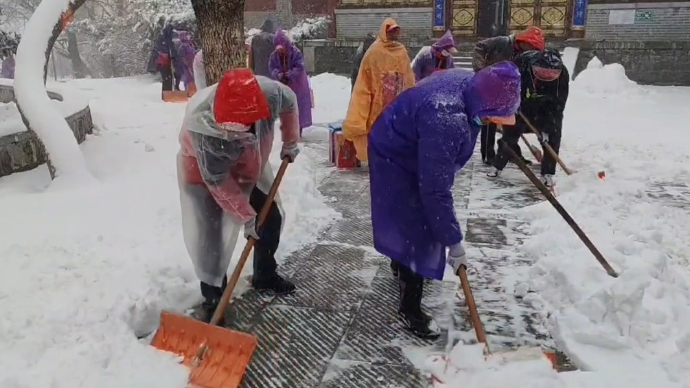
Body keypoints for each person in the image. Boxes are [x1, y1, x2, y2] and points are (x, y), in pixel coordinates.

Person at [367, 62, 521, 338]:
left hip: (411, 135)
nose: (491, 124)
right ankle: (410, 308)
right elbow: (435, 190)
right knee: (417, 228)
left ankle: (401, 266)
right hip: (393, 148)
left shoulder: (472, 86)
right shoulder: (445, 119)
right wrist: (453, 241)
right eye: (491, 118)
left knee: (414, 219)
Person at [177, 68, 301, 323]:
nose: (236, 130)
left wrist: (290, 141)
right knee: (210, 236)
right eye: (230, 128)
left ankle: (264, 275)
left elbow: (290, 101)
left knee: (270, 217)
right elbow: (218, 181)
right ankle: (214, 300)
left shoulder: (268, 94)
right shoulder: (202, 128)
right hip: (202, 172)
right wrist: (245, 217)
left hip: (247, 161)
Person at [487, 49, 569, 189]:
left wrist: (547, 129)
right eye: (543, 71)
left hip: (548, 107)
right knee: (511, 134)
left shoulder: (562, 75)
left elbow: (558, 105)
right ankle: (498, 165)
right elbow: (507, 87)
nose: (548, 75)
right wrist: (513, 103)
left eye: (552, 73)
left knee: (553, 136)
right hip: (521, 104)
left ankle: (548, 172)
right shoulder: (521, 66)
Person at [343, 18, 415, 164]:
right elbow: (365, 81)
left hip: (398, 102)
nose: (394, 35)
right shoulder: (374, 52)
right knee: (378, 133)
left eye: (396, 31)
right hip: (378, 102)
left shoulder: (402, 52)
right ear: (384, 32)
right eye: (391, 32)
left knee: (397, 133)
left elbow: (408, 78)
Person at [472, 26, 545, 166]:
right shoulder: (502, 42)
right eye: (532, 46)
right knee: (490, 120)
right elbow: (479, 47)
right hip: (490, 83)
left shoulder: (525, 54)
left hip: (508, 87)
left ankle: (511, 153)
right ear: (524, 41)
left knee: (510, 121)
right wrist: (480, 69)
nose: (532, 50)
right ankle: (488, 155)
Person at [268, 30, 313, 137]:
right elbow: (271, 67)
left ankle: (298, 130)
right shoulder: (274, 56)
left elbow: (300, 67)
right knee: (287, 108)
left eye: (282, 48)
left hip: (298, 85)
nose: (280, 51)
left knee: (299, 108)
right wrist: (279, 75)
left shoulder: (295, 53)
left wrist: (289, 75)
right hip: (285, 85)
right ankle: (288, 129)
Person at [176, 31, 198, 96]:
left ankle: (194, 91)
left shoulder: (190, 44)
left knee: (193, 77)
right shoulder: (182, 46)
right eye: (186, 35)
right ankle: (189, 92)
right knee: (188, 78)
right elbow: (182, 56)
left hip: (193, 62)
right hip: (186, 65)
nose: (188, 36)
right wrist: (187, 63)